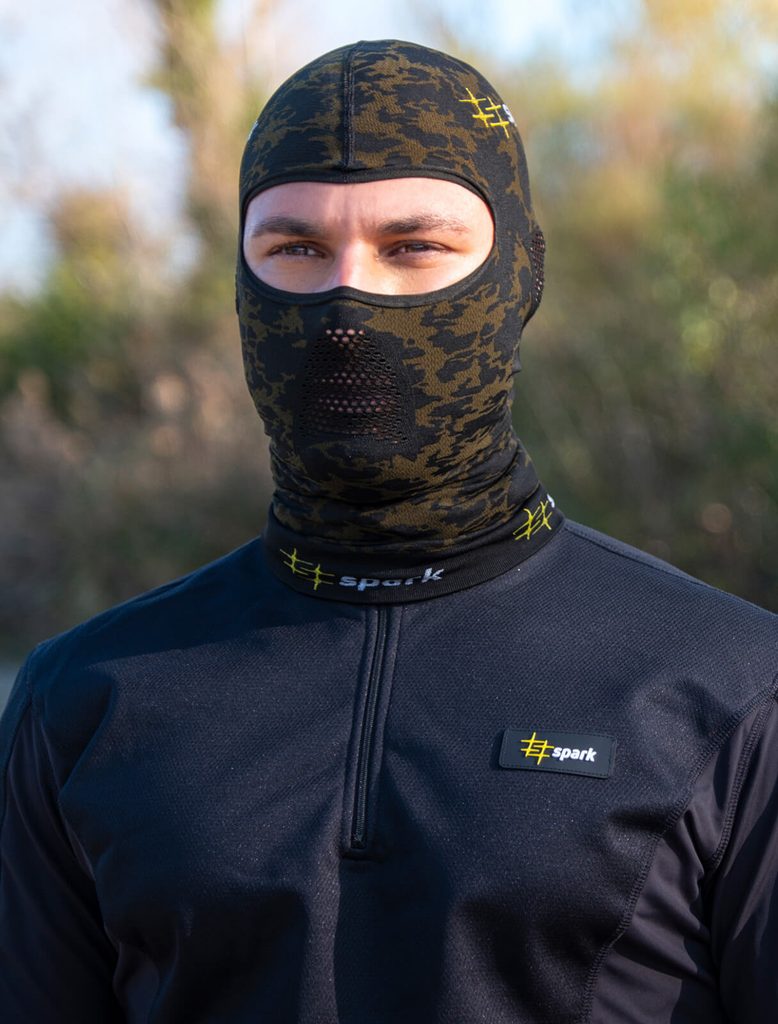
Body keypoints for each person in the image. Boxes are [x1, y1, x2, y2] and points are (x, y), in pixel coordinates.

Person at [1, 38, 776, 1024]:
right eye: (294, 250)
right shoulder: (87, 700)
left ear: (520, 276)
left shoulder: (731, 690)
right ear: (240, 285)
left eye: (413, 248)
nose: (347, 305)